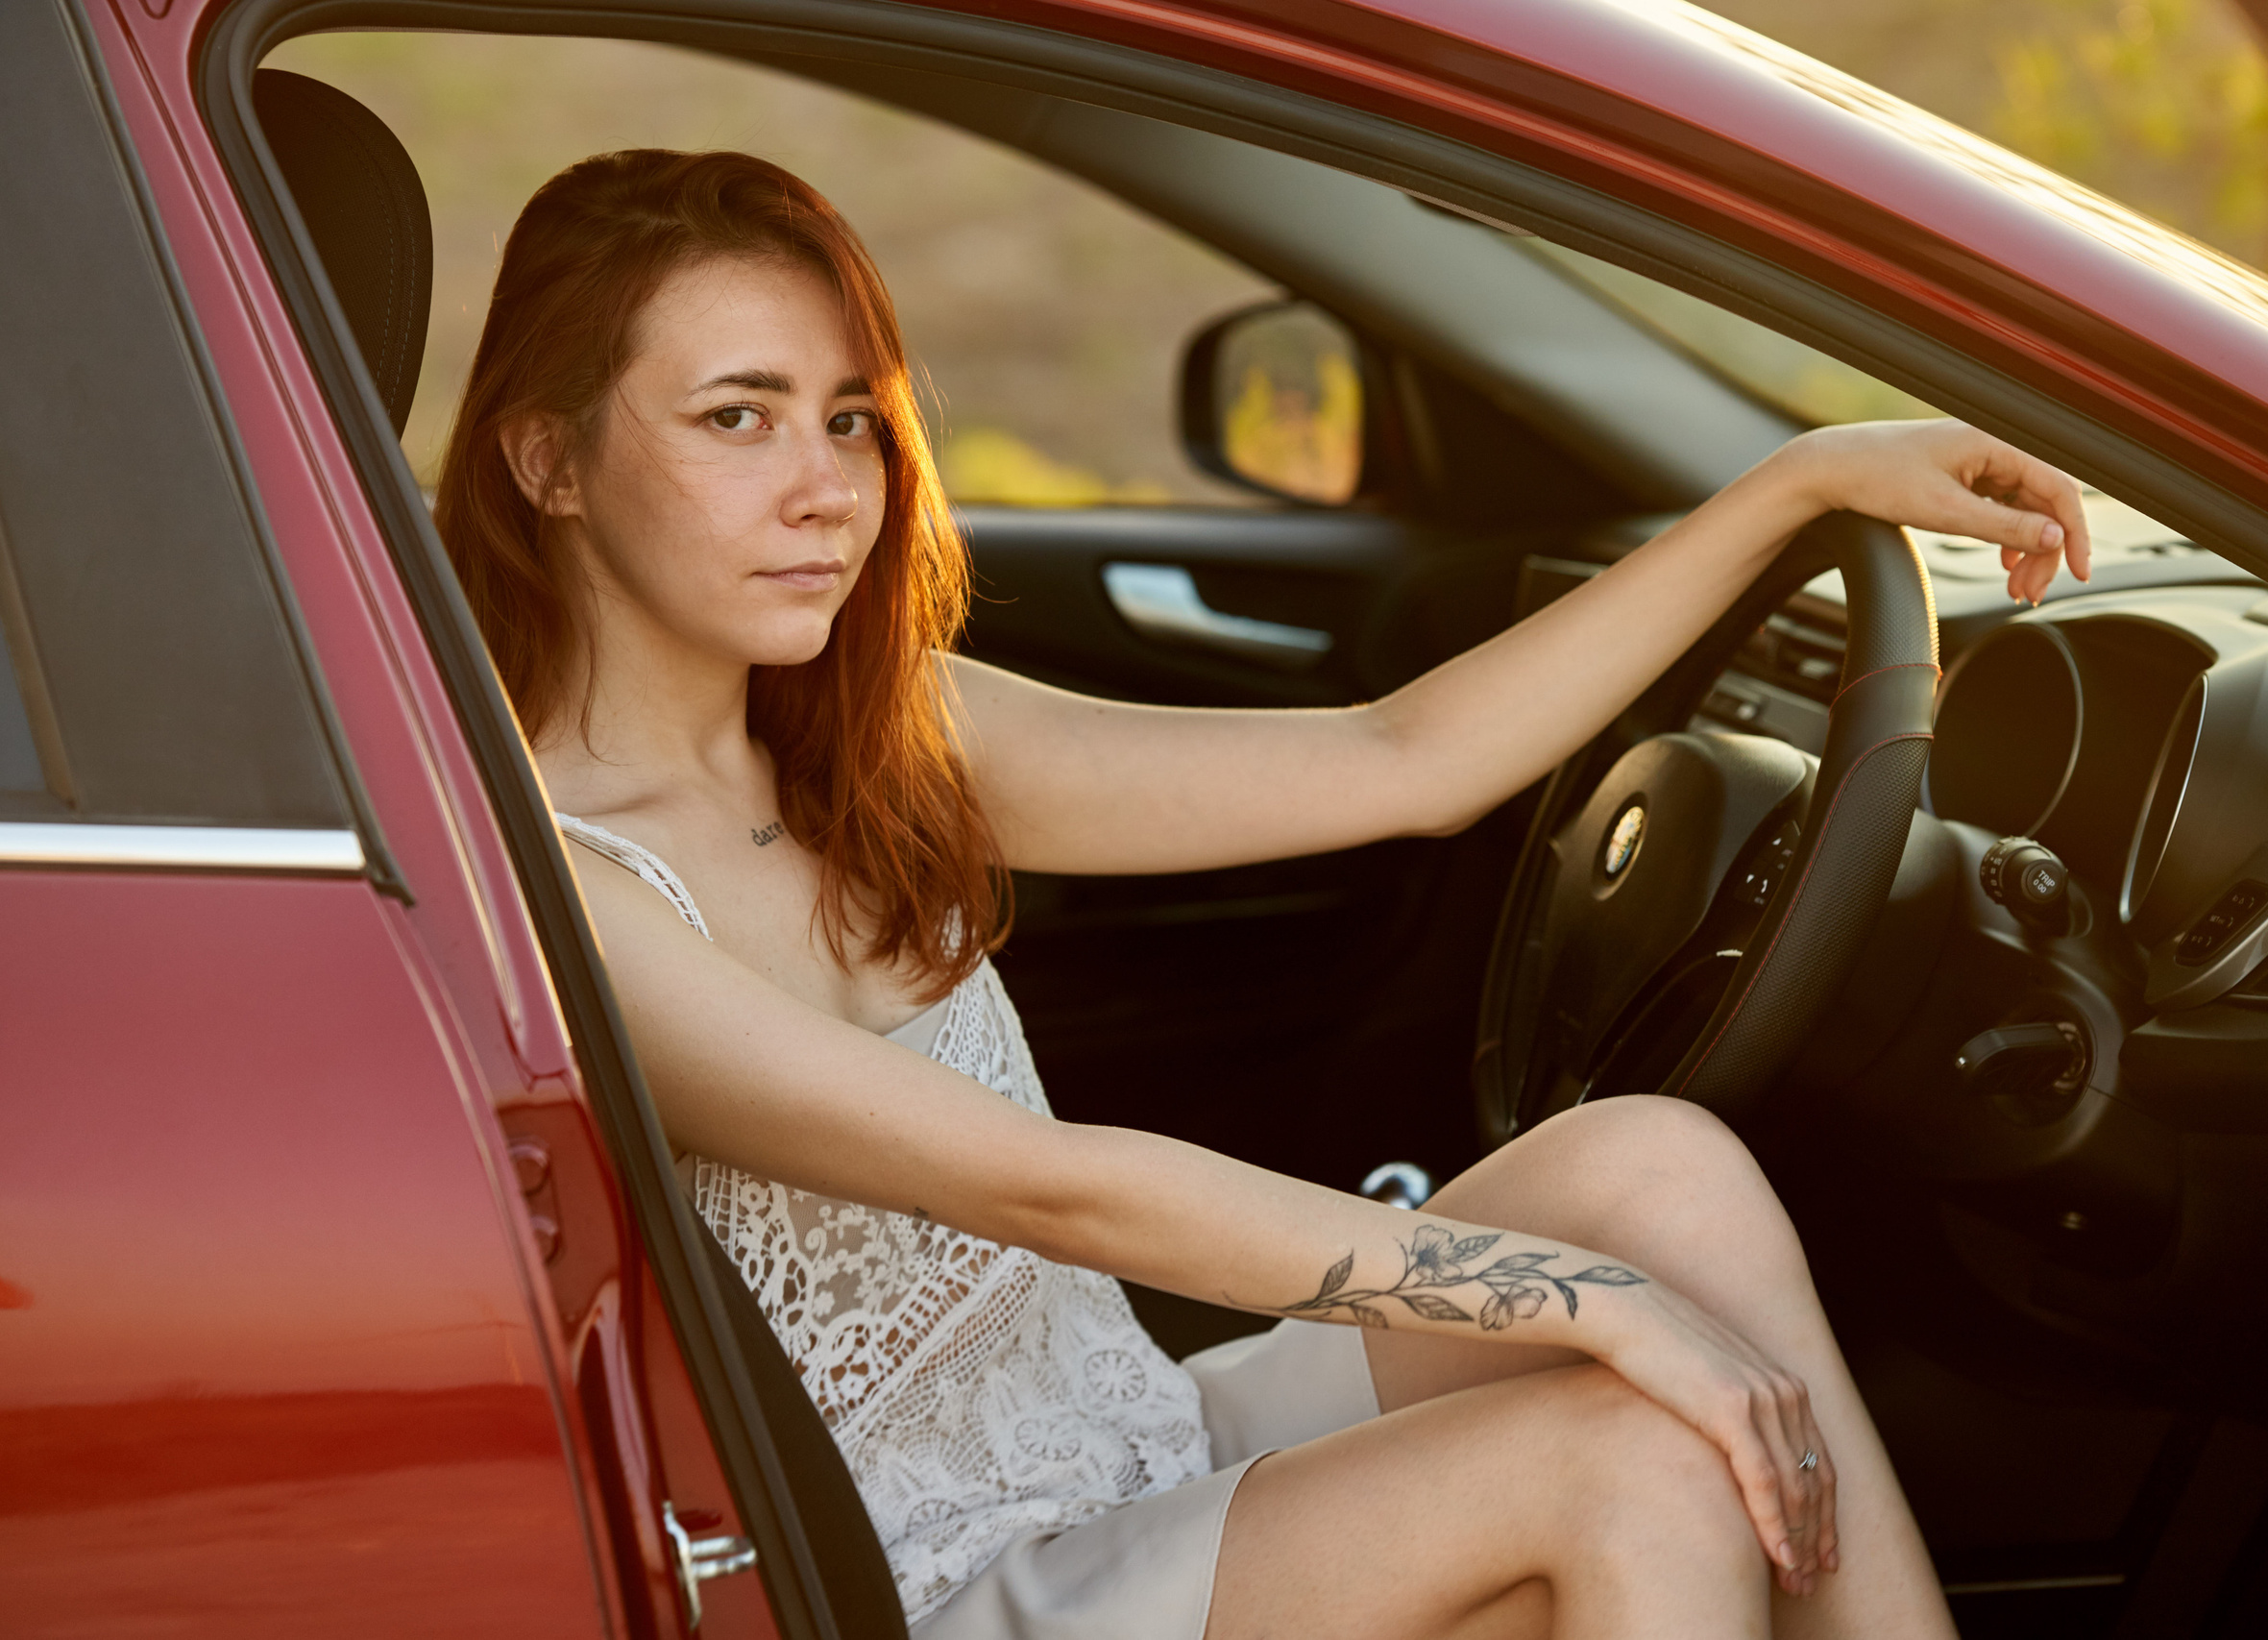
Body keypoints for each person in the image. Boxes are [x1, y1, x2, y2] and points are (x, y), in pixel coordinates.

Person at [436, 148, 2088, 1640]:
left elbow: (1406, 757)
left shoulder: (879, 731)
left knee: (1664, 1171)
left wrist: (1792, 487)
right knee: (1631, 1458)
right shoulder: (565, 891)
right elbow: (1052, 1192)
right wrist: (1590, 1303)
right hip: (931, 1585)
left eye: (849, 414)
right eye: (737, 417)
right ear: (549, 462)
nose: (827, 486)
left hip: (1128, 1433)